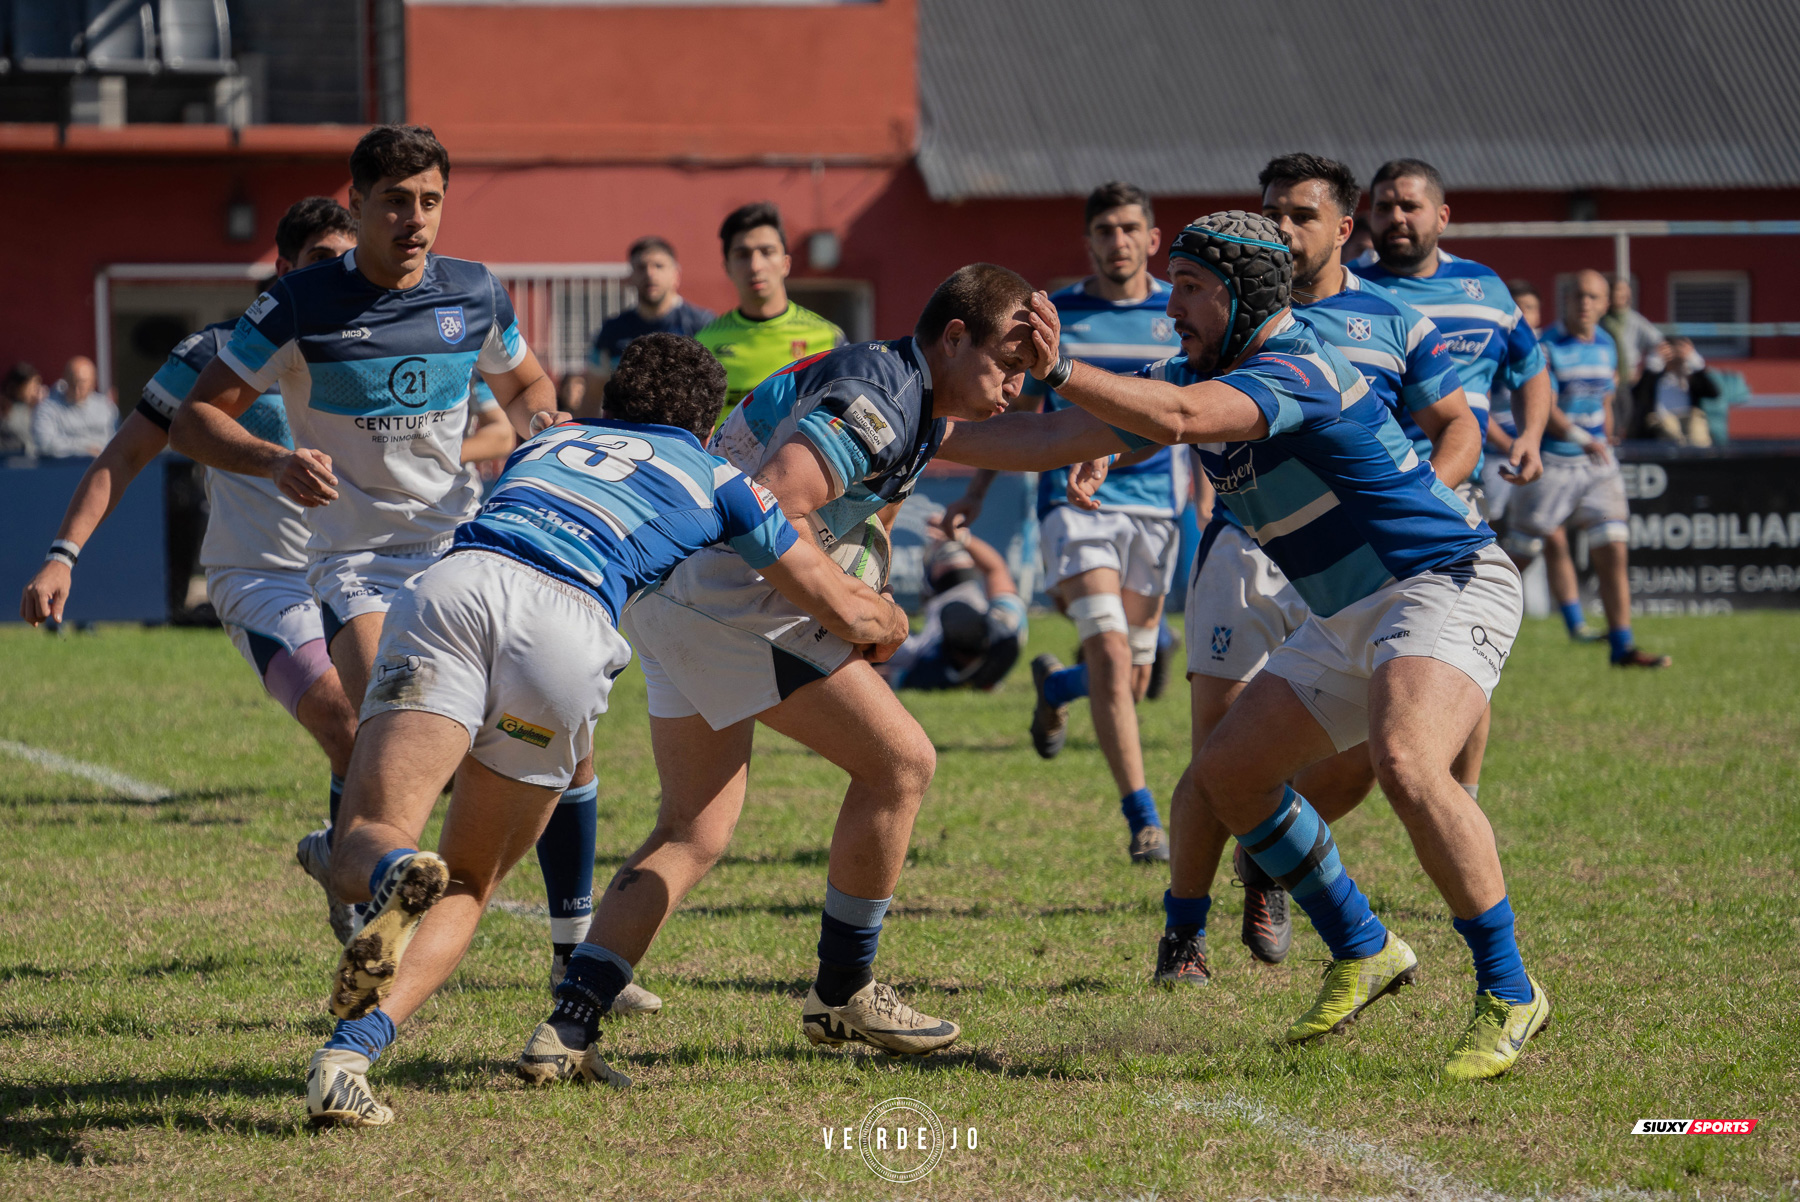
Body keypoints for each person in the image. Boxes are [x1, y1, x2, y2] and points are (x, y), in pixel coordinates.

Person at [959, 212, 1550, 1080]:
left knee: (1407, 762)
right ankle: (1363, 944)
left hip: (1441, 580)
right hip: (1349, 610)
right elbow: (1051, 438)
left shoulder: (1296, 364)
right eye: (1175, 286)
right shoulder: (1204, 366)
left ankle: (1510, 990)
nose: (1172, 308)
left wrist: (1064, 368)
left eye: (1192, 288)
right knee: (1227, 777)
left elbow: (1187, 417)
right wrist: (900, 436)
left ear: (1245, 296)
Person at [304, 334, 909, 1125]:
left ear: (616, 400)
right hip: (565, 627)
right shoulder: (723, 479)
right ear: (703, 424)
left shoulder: (553, 436)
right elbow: (832, 602)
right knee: (469, 880)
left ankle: (384, 873)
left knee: (373, 832)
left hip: (456, 587)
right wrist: (886, 616)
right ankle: (345, 1058)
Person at [170, 126, 636, 1003]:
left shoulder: (473, 290)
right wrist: (274, 462)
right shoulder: (299, 303)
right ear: (356, 201)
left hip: (470, 551)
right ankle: (363, 859)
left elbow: (532, 389)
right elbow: (196, 420)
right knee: (411, 726)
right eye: (394, 202)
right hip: (357, 564)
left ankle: (572, 951)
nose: (414, 220)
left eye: (429, 202)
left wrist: (542, 433)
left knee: (566, 733)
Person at [1128, 153, 1483, 981]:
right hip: (1247, 551)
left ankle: (1273, 875)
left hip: (1367, 566)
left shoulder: (1390, 321)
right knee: (1219, 756)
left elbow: (1456, 424)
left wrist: (1414, 495)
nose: (1283, 230)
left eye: (1301, 216)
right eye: (1271, 214)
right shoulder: (1214, 329)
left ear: (1341, 229)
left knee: (1372, 756)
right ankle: (1185, 930)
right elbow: (1163, 410)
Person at [21, 198, 364, 932]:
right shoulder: (214, 354)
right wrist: (62, 555)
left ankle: (341, 852)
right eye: (320, 260)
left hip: (363, 573)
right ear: (282, 269)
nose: (338, 274)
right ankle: (357, 888)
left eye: (347, 259)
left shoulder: (374, 350)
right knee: (347, 723)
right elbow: (126, 454)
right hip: (267, 585)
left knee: (406, 736)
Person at [945, 181, 1185, 865]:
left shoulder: (1180, 308)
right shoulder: (1056, 314)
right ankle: (1144, 819)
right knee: (1110, 655)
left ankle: (1055, 687)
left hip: (1156, 506)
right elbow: (1015, 407)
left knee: (1132, 679)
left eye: (1130, 228)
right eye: (1104, 230)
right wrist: (977, 490)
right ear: (1089, 242)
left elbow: (1186, 410)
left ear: (1151, 238)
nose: (1118, 241)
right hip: (1073, 502)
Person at [1504, 269, 1670, 668]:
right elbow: (1546, 405)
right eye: (1578, 296)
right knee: (1518, 559)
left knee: (1613, 545)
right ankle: (1469, 627)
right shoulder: (1547, 346)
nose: (1585, 304)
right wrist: (1583, 438)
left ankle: (1622, 647)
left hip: (1597, 464)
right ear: (1566, 301)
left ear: (1604, 303)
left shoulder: (1608, 344)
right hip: (1556, 461)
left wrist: (1606, 434)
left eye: (1593, 297)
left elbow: (1606, 398)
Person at [694, 203, 843, 417]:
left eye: (767, 252)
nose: (755, 266)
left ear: (785, 263)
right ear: (727, 267)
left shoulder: (829, 338)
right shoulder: (705, 343)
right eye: (742, 254)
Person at [879, 522, 1027, 692]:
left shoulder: (928, 666)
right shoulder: (1007, 629)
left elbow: (881, 676)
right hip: (953, 591)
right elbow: (996, 569)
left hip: (921, 637)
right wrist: (962, 538)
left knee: (876, 640)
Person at [581, 236, 714, 409]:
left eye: (659, 266)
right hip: (627, 433)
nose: (650, 274)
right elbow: (592, 395)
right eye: (641, 267)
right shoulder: (612, 330)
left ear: (676, 274)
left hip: (684, 433)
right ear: (630, 276)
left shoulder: (703, 325)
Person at [32, 357, 116, 459]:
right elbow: (45, 443)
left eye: (82, 383)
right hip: (62, 470)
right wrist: (85, 449)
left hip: (101, 467)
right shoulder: (46, 409)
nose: (77, 389)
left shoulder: (106, 408)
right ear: (65, 379)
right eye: (72, 383)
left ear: (93, 382)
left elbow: (116, 441)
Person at [1641, 337, 1715, 447]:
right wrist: (1654, 363)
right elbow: (1640, 395)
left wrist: (1693, 359)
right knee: (1671, 429)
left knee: (1697, 428)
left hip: (1688, 417)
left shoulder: (1690, 376)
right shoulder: (1655, 377)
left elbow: (1713, 393)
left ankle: (1703, 460)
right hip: (1662, 418)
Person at [1600, 275, 1663, 398]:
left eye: (1621, 290)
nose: (1616, 294)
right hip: (1606, 380)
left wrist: (1643, 369)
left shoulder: (1636, 321)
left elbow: (1658, 343)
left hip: (1630, 381)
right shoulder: (1601, 321)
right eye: (1614, 290)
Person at [2, 362, 42, 457]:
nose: (35, 391)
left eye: (37, 386)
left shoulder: (40, 409)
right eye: (31, 386)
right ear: (18, 386)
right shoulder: (5, 410)